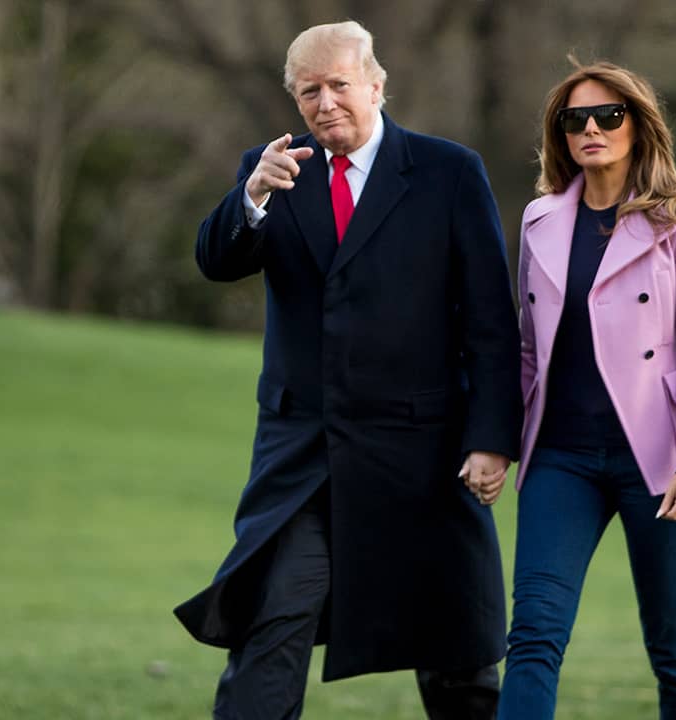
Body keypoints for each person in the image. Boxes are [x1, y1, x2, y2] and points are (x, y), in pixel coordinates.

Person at [173, 21, 521, 720]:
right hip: (306, 457)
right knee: (271, 629)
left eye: (338, 84)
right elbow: (216, 260)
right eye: (309, 91)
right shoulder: (274, 167)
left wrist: (492, 436)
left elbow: (490, 315)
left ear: (376, 85)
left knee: (458, 655)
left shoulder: (448, 172)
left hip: (424, 452)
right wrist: (253, 196)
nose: (325, 102)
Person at [497, 61, 676, 719]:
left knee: (672, 643)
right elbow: (526, 348)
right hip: (560, 459)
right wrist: (498, 442)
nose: (592, 129)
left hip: (657, 463)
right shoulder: (541, 219)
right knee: (534, 636)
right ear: (561, 134)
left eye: (609, 115)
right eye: (576, 119)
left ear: (638, 125)